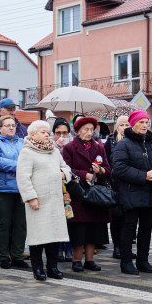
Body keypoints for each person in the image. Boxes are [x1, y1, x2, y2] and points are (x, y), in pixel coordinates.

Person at [15, 120, 72, 280]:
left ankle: (52, 267)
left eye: (48, 132)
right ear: (32, 135)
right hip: (38, 201)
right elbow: (23, 178)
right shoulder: (27, 152)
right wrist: (31, 197)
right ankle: (38, 268)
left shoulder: (53, 151)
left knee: (53, 235)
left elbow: (66, 168)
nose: (47, 135)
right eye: (43, 132)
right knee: (38, 236)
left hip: (54, 200)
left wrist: (63, 174)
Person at [112, 110, 152, 275]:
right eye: (140, 122)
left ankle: (143, 260)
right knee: (129, 228)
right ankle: (126, 262)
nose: (144, 125)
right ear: (133, 124)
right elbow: (119, 169)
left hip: (149, 193)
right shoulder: (124, 144)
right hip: (130, 193)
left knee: (146, 228)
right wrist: (144, 175)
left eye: (146, 122)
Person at [62, 115, 111, 272]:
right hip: (78, 193)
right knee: (79, 228)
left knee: (94, 227)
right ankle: (77, 260)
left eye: (91, 129)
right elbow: (67, 169)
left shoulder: (99, 147)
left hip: (95, 195)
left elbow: (108, 169)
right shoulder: (69, 147)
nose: (89, 133)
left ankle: (90, 260)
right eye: (86, 129)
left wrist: (101, 170)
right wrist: (85, 175)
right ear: (78, 131)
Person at [0, 114, 28, 269]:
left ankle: (18, 255)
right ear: (0, 128)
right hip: (2, 188)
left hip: (21, 188)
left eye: (13, 125)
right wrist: (19, 166)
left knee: (21, 224)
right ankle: (3, 256)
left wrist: (18, 167)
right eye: (7, 125)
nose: (11, 128)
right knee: (3, 224)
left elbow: (29, 160)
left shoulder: (22, 142)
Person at [105, 113, 131, 259]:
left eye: (127, 125)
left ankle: (126, 247)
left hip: (130, 185)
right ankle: (117, 247)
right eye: (121, 125)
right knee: (117, 217)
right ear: (116, 127)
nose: (124, 127)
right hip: (115, 185)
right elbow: (106, 161)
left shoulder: (135, 141)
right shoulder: (110, 142)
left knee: (129, 219)